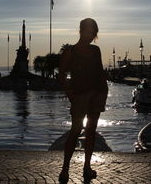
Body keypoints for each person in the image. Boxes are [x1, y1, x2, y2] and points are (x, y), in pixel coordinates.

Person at [57, 18, 108, 183]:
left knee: (91, 131)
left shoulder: (96, 50)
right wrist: (70, 94)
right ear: (81, 30)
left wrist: (104, 91)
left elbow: (99, 71)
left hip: (98, 93)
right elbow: (62, 74)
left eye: (94, 32)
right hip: (80, 95)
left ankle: (87, 167)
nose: (91, 35)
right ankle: (65, 169)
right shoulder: (70, 51)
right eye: (89, 31)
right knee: (76, 130)